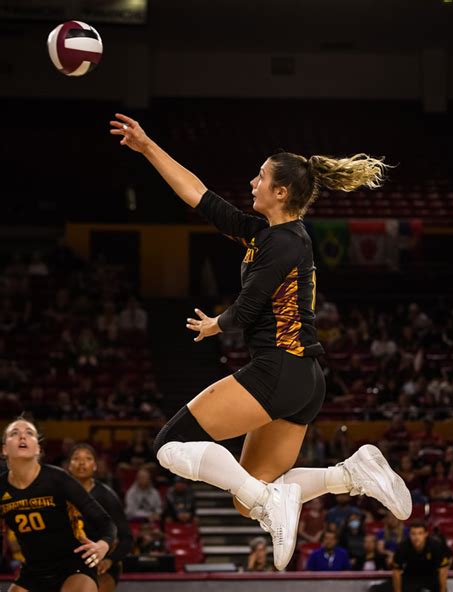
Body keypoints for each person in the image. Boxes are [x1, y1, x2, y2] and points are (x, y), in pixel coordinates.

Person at [110, 112, 412, 571]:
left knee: (170, 446)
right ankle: (349, 475)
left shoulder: (286, 242)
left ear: (281, 192)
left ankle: (277, 499)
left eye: (261, 177)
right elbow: (200, 196)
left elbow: (249, 307)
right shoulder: (266, 234)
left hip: (278, 369)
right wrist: (147, 146)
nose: (252, 182)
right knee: (247, 497)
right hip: (301, 379)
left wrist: (217, 324)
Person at [0, 418, 117, 592]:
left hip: (74, 566)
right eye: (15, 433)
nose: (22, 437)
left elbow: (105, 522)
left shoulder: (58, 478)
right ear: (4, 449)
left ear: (38, 448)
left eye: (29, 433)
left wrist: (103, 544)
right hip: (33, 571)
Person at [68, 443, 133, 592]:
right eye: (76, 458)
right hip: (67, 562)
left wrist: (110, 560)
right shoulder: (58, 494)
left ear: (95, 466)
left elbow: (127, 538)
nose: (82, 463)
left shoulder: (107, 496)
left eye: (88, 458)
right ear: (69, 465)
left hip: (100, 563)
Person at [392, 521, 450, 592]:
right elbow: (396, 571)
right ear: (409, 534)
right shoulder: (402, 547)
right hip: (410, 579)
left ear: (426, 534)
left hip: (431, 578)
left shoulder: (436, 546)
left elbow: (443, 570)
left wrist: (442, 590)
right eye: (413, 534)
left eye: (420, 533)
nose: (416, 537)